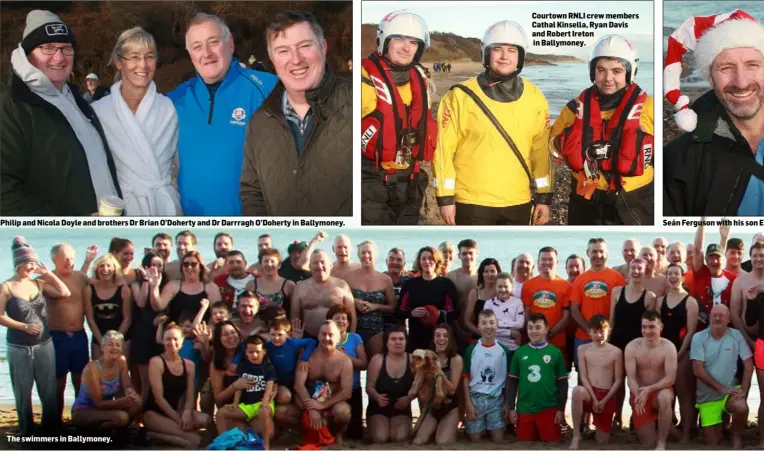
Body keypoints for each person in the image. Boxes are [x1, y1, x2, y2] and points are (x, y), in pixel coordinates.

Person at [1, 10, 122, 215]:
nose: (59, 57)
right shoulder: (12, 107)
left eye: (66, 48)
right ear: (28, 54)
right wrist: (70, 224)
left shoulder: (76, 102)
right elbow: (4, 192)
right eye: (48, 48)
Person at [436, 20, 552, 226]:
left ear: (521, 56)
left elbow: (540, 149)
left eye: (512, 50)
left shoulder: (535, 96)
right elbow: (444, 151)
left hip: (519, 201)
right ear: (486, 54)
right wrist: (445, 198)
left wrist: (544, 195)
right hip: (472, 202)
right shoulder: (459, 96)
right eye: (498, 49)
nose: (505, 56)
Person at [240, 11, 351, 216]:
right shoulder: (259, 122)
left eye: (305, 46)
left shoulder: (356, 102)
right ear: (272, 59)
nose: (296, 59)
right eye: (283, 51)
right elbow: (252, 192)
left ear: (323, 48)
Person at [168, 13, 277, 216]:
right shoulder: (174, 101)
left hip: (250, 221)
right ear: (190, 54)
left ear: (230, 44)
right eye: (197, 47)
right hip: (195, 226)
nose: (206, 53)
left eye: (213, 42)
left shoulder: (267, 88)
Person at [664, 10, 764, 216]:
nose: (741, 82)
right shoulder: (679, 160)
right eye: (726, 68)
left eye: (752, 65)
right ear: (710, 78)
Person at [551, 34, 653, 225]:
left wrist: (644, 141)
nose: (608, 78)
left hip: (635, 199)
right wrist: (563, 140)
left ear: (630, 72)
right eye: (601, 70)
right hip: (586, 197)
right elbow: (552, 149)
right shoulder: (574, 109)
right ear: (592, 72)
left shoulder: (649, 109)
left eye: (617, 71)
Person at [92, 27, 181, 216]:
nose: (143, 65)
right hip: (121, 208)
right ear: (118, 62)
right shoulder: (99, 111)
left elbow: (179, 166)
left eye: (149, 56)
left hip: (164, 207)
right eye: (133, 57)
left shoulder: (169, 108)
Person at [361, 11, 436, 225]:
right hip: (371, 179)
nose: (406, 47)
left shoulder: (420, 81)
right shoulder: (363, 81)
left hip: (410, 177)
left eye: (413, 42)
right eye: (399, 39)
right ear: (384, 41)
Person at [0, 237, 69, 436]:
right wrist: (23, 326)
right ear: (18, 263)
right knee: (22, 391)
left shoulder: (39, 284)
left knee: (48, 389)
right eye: (28, 263)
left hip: (44, 344)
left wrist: (48, 274)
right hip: (19, 347)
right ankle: (26, 429)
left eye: (34, 262)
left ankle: (50, 428)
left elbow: (64, 292)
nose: (32, 266)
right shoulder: (6, 287)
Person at [41, 243, 96, 423]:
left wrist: (88, 261)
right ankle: (55, 421)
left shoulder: (80, 277)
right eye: (65, 258)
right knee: (58, 383)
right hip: (57, 337)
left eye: (72, 258)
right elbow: (59, 294)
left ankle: (80, 419)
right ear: (53, 259)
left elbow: (102, 282)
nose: (69, 262)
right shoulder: (45, 279)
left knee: (80, 381)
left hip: (79, 336)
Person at [690, 304, 753, 449]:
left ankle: (736, 439)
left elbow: (748, 364)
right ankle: (721, 429)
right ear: (710, 317)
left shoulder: (736, 335)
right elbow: (697, 371)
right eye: (714, 315)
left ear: (728, 319)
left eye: (721, 315)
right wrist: (721, 388)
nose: (717, 318)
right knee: (711, 442)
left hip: (729, 392)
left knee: (741, 407)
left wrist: (743, 388)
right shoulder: (698, 338)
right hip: (708, 396)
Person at [144, 322, 211, 448]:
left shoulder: (189, 365)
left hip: (177, 410)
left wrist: (186, 413)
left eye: (175, 339)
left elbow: (190, 396)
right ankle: (154, 435)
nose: (171, 343)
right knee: (196, 441)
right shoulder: (156, 362)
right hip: (155, 413)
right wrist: (179, 421)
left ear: (182, 341)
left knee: (205, 420)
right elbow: (159, 399)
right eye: (168, 339)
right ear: (162, 341)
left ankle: (163, 434)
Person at [609, 258, 656, 430]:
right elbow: (611, 320)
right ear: (628, 270)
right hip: (617, 343)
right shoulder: (616, 292)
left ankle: (636, 417)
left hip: (638, 346)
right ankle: (618, 417)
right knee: (618, 382)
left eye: (639, 269)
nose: (636, 271)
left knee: (636, 382)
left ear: (645, 272)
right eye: (633, 268)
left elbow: (650, 326)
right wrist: (607, 344)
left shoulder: (649, 297)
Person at [507, 313, 568, 442]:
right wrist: (511, 408)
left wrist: (561, 409)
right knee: (525, 442)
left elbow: (563, 384)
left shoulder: (555, 353)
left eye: (538, 327)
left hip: (548, 408)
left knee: (551, 442)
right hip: (524, 409)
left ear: (546, 329)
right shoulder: (520, 352)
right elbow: (512, 382)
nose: (533, 331)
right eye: (530, 327)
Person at [657, 263, 699, 443]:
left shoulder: (690, 301)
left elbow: (691, 331)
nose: (673, 277)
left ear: (682, 277)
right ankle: (668, 430)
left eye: (676, 274)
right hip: (663, 353)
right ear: (666, 277)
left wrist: (680, 354)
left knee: (684, 393)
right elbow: (656, 330)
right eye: (670, 274)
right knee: (666, 393)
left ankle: (687, 432)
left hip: (683, 352)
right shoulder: (660, 301)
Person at [293, 321, 353, 445]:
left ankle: (335, 433)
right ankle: (307, 432)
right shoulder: (306, 356)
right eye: (323, 334)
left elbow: (346, 392)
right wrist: (312, 408)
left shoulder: (344, 360)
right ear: (318, 336)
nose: (326, 338)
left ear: (338, 338)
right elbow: (298, 384)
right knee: (283, 412)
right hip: (308, 402)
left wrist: (322, 405)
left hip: (331, 402)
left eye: (330, 335)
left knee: (343, 411)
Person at [624, 311, 677, 449]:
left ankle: (662, 443)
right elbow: (631, 378)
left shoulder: (668, 347)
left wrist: (650, 389)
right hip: (640, 392)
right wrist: (638, 394)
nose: (647, 331)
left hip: (660, 390)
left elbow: (670, 378)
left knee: (665, 397)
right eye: (644, 327)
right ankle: (667, 428)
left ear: (661, 327)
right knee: (647, 443)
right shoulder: (632, 347)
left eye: (652, 326)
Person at [71, 331, 142, 432]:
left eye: (118, 345)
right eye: (110, 344)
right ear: (102, 347)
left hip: (104, 409)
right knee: (122, 417)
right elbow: (98, 403)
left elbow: (127, 385)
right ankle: (97, 436)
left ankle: (116, 432)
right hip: (84, 410)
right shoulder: (93, 368)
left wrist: (130, 393)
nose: (114, 348)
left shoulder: (121, 361)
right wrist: (124, 401)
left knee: (138, 401)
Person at [570, 238, 626, 367]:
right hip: (583, 337)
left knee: (609, 375)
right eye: (594, 251)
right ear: (588, 253)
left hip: (608, 337)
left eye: (601, 251)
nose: (598, 255)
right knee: (582, 377)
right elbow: (574, 309)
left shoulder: (616, 278)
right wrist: (589, 331)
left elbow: (621, 308)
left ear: (607, 253)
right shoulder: (580, 279)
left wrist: (606, 332)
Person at [570, 315, 622, 449]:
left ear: (608, 330)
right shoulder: (583, 349)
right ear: (589, 332)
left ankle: (597, 429)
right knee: (577, 391)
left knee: (602, 442)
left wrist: (603, 401)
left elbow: (618, 380)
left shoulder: (616, 352)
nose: (599, 335)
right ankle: (576, 435)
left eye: (602, 331)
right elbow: (584, 377)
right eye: (595, 332)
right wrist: (594, 398)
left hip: (606, 395)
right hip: (589, 393)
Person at [216, 335, 277, 449]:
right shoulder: (243, 366)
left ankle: (266, 445)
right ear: (246, 353)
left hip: (262, 403)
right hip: (247, 406)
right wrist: (235, 403)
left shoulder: (269, 368)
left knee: (263, 412)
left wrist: (265, 402)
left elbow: (269, 387)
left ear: (264, 352)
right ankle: (223, 442)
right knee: (221, 413)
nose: (254, 355)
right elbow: (239, 387)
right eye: (251, 352)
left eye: (258, 352)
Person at [397, 246, 460, 351]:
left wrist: (439, 314)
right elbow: (399, 311)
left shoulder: (446, 284)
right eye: (424, 259)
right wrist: (411, 313)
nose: (427, 262)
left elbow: (455, 313)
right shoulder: (410, 284)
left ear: (436, 261)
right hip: (416, 336)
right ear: (419, 262)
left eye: (431, 258)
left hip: (440, 339)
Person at [463, 310, 512, 443]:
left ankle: (490, 427)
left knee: (498, 439)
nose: (488, 326)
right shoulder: (471, 350)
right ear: (478, 326)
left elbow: (508, 380)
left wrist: (507, 403)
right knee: (475, 439)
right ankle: (480, 427)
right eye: (484, 323)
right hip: (475, 399)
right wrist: (468, 404)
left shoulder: (504, 351)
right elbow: (466, 377)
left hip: (496, 400)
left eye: (491, 322)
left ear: (497, 325)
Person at [410, 324, 462, 445]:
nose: (441, 339)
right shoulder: (426, 358)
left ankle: (448, 429)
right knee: (418, 441)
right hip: (431, 406)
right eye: (438, 335)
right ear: (433, 339)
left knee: (442, 441)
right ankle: (434, 428)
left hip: (450, 406)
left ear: (450, 339)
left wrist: (440, 373)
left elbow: (452, 390)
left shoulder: (456, 359)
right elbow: (419, 385)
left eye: (445, 336)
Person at [344, 241, 396, 355]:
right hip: (353, 329)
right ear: (358, 255)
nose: (366, 256)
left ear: (376, 255)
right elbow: (341, 299)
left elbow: (392, 307)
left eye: (369, 252)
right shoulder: (348, 277)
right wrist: (354, 301)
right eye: (363, 253)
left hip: (376, 331)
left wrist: (375, 306)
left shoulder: (385, 279)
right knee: (352, 366)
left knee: (376, 364)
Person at [291, 250, 356, 340]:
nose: (319, 266)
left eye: (322, 262)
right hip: (308, 339)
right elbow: (295, 317)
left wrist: (350, 339)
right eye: (315, 263)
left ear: (330, 265)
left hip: (336, 339)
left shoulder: (342, 285)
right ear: (309, 266)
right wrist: (296, 340)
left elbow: (352, 316)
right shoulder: (300, 287)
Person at [521, 247, 571, 364]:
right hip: (534, 340)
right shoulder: (528, 285)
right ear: (538, 262)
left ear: (557, 262)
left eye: (550, 259)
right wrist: (536, 333)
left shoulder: (566, 286)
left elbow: (566, 317)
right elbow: (527, 313)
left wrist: (550, 333)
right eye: (543, 259)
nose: (547, 262)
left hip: (557, 341)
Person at [365, 326, 415, 443]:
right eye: (393, 339)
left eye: (401, 339)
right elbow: (369, 387)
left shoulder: (413, 360)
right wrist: (377, 397)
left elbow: (420, 387)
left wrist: (409, 398)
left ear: (406, 342)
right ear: (386, 342)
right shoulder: (377, 360)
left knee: (399, 438)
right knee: (381, 438)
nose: (397, 342)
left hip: (401, 408)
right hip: (379, 408)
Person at [130, 251, 167, 403]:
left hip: (160, 334)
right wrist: (147, 280)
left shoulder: (166, 284)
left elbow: (160, 306)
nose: (157, 268)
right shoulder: (136, 283)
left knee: (161, 380)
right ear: (146, 266)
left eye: (160, 265)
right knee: (144, 382)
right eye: (153, 265)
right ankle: (141, 415)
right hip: (142, 334)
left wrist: (156, 285)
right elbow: (140, 302)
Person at [327, 305, 368, 441]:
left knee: (355, 435)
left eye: (344, 318)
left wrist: (345, 357)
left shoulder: (355, 338)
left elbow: (363, 364)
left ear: (349, 322)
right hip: (331, 390)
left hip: (353, 389)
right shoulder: (325, 339)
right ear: (329, 321)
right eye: (336, 318)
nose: (340, 321)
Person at [147, 250, 221, 324]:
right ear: (182, 267)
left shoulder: (210, 287)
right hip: (176, 332)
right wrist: (154, 288)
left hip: (201, 332)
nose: (189, 267)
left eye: (194, 264)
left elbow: (217, 314)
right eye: (185, 264)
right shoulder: (173, 285)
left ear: (200, 267)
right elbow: (158, 307)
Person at [83, 253, 132, 360]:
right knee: (98, 372)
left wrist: (116, 341)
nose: (105, 269)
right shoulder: (89, 289)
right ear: (96, 269)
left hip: (121, 336)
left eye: (109, 266)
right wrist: (102, 342)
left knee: (121, 371)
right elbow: (90, 320)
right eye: (101, 266)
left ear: (115, 269)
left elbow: (127, 318)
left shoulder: (123, 289)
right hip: (98, 337)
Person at [692, 222, 738, 329]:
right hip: (701, 330)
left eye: (717, 257)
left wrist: (724, 238)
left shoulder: (733, 279)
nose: (714, 261)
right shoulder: (701, 274)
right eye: (711, 257)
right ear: (706, 260)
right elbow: (698, 249)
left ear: (724, 259)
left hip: (727, 330)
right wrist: (703, 220)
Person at [731, 240, 764, 350]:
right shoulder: (740, 282)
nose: (758, 259)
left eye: (762, 255)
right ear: (750, 258)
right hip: (748, 338)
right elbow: (734, 314)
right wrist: (748, 341)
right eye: (755, 256)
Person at [246, 248, 295, 320]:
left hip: (281, 328)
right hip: (258, 327)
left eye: (272, 261)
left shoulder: (289, 285)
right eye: (266, 261)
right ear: (260, 264)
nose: (269, 264)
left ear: (279, 265)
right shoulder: (251, 285)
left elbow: (294, 312)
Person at [483, 272, 524, 352]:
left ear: (512, 287)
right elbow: (487, 327)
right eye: (500, 286)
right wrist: (509, 332)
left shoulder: (517, 302)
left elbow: (520, 324)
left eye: (506, 286)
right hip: (493, 346)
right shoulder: (489, 303)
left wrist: (496, 324)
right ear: (495, 287)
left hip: (512, 347)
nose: (503, 290)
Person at [464, 258, 500, 340]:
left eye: (492, 271)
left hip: (501, 337)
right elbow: (467, 321)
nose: (489, 274)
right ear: (481, 274)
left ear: (498, 273)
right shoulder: (475, 292)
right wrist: (481, 333)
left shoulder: (502, 292)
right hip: (479, 336)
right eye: (486, 271)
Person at [447, 239, 479, 328]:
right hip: (456, 326)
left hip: (478, 327)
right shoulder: (451, 277)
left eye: (471, 253)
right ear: (459, 256)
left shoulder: (483, 277)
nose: (468, 256)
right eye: (464, 253)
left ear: (477, 254)